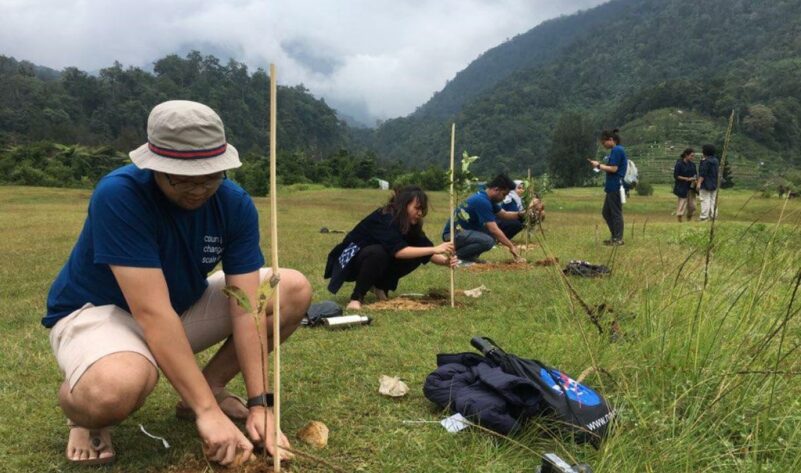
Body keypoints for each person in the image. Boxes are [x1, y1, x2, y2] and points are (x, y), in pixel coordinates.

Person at [43, 100, 312, 466]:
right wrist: (209, 416)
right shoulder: (120, 195)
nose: (199, 190)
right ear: (154, 167)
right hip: (102, 313)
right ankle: (83, 411)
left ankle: (208, 389)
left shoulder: (234, 204)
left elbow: (246, 307)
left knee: (290, 288)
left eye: (211, 176)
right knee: (113, 389)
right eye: (183, 179)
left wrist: (259, 403)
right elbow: (151, 313)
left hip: (179, 307)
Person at [324, 186, 457, 310]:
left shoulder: (410, 224)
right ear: (404, 205)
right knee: (378, 253)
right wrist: (434, 249)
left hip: (373, 260)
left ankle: (380, 286)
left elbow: (426, 250)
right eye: (417, 208)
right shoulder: (385, 217)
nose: (420, 213)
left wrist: (445, 262)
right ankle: (356, 298)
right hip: (350, 260)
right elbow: (399, 252)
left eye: (422, 209)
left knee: (415, 253)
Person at [442, 174, 524, 264]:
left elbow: (504, 214)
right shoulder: (482, 201)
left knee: (489, 235)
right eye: (504, 194)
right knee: (488, 240)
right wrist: (511, 246)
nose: (504, 198)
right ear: (496, 189)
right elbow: (494, 229)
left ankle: (469, 257)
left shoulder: (487, 198)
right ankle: (458, 257)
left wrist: (523, 214)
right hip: (452, 235)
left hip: (463, 233)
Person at [589, 129, 628, 246]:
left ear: (610, 140)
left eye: (603, 142)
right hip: (611, 186)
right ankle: (615, 236)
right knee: (606, 212)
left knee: (615, 213)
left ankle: (618, 238)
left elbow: (614, 169)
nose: (603, 145)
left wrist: (599, 166)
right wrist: (599, 165)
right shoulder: (614, 151)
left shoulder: (617, 150)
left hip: (616, 186)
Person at [673, 148, 697, 222]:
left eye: (693, 156)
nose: (693, 158)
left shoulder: (693, 165)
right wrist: (686, 179)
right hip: (682, 186)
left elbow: (695, 174)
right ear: (686, 155)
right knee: (682, 203)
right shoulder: (679, 164)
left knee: (692, 206)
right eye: (691, 156)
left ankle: (689, 217)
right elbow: (676, 176)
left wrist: (694, 179)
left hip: (691, 187)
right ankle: (679, 218)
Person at [697, 144, 719, 221]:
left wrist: (699, 183)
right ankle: (713, 216)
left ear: (704, 151)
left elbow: (703, 173)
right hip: (714, 183)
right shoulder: (716, 160)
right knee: (713, 200)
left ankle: (704, 217)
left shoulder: (706, 162)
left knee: (704, 200)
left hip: (706, 183)